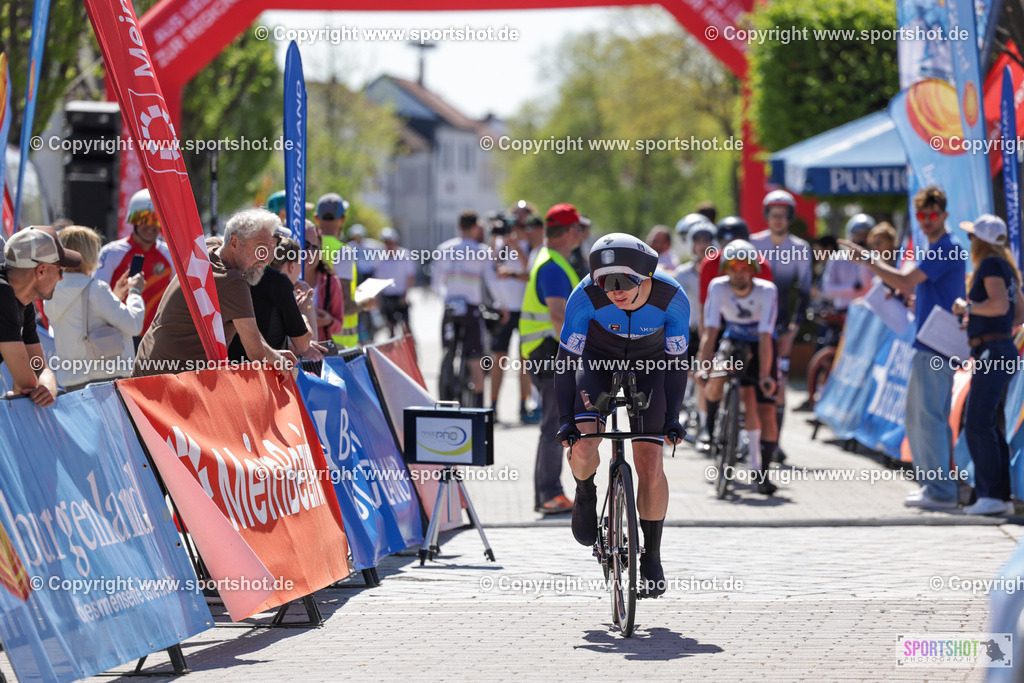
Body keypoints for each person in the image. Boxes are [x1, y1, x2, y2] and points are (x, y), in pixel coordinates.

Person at [555, 233, 689, 597]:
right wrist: (565, 418)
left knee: (650, 460)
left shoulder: (672, 298)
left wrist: (674, 415)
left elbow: (678, 365)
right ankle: (585, 492)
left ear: (646, 276)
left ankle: (653, 555)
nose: (615, 290)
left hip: (651, 366)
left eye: (625, 280)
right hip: (596, 362)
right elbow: (565, 363)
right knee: (584, 444)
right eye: (606, 281)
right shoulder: (584, 298)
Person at [840, 185, 966, 509]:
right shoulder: (938, 245)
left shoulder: (944, 246)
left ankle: (941, 491)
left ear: (944, 216)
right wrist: (910, 294)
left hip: (936, 346)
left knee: (930, 419)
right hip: (928, 342)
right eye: (922, 215)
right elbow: (913, 286)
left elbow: (904, 280)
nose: (926, 221)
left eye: (932, 215)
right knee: (917, 418)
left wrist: (867, 259)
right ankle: (934, 487)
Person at [132, 209, 297, 378]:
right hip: (167, 381)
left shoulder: (210, 246)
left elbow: (251, 332)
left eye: (271, 249)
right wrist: (277, 360)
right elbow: (256, 352)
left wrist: (273, 354)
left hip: (148, 367)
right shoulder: (233, 282)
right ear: (234, 243)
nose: (267, 259)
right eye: (260, 249)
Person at [951, 215, 1024, 515]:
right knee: (990, 424)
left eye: (971, 238)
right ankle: (999, 497)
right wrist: (979, 320)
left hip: (993, 351)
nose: (969, 243)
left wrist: (968, 308)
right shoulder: (1006, 267)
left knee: (979, 424)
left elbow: (1002, 306)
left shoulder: (992, 265)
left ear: (980, 241)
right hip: (1001, 348)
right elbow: (1016, 314)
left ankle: (992, 496)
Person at [697, 240, 780, 495]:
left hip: (760, 343)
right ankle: (709, 428)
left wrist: (765, 374)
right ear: (726, 269)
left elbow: (766, 336)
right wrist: (703, 366)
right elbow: (711, 331)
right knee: (717, 376)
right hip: (733, 340)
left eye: (746, 267)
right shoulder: (718, 287)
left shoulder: (767, 290)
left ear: (754, 269)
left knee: (761, 407)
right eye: (734, 267)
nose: (740, 272)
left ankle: (761, 470)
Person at [519, 203, 584, 514]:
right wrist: (580, 350)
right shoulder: (553, 266)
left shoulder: (550, 260)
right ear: (570, 231)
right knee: (553, 423)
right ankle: (549, 493)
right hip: (550, 351)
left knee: (554, 421)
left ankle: (549, 492)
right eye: (579, 229)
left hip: (544, 350)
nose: (581, 234)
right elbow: (558, 316)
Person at [749, 190, 811, 463]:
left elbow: (805, 292)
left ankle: (774, 442)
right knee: (748, 381)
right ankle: (748, 435)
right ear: (766, 216)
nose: (777, 220)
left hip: (781, 325)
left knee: (779, 383)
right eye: (773, 215)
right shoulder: (753, 244)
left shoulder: (800, 248)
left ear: (789, 218)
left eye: (782, 216)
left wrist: (793, 330)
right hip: (751, 322)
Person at [44, 226, 146, 391]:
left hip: (72, 383)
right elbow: (134, 325)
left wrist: (116, 295)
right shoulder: (96, 289)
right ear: (89, 254)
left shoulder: (51, 290)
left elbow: (83, 315)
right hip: (107, 381)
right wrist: (135, 291)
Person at [431, 210, 508, 408]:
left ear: (459, 226)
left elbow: (436, 283)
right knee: (476, 358)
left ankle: (446, 384)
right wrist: (501, 306)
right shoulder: (482, 250)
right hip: (471, 310)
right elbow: (492, 283)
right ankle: (479, 405)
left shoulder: (443, 248)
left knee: (448, 350)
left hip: (450, 308)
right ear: (475, 227)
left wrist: (445, 299)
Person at [0, 226, 79, 406]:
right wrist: (39, 388)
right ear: (41, 270)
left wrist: (48, 386)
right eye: (61, 269)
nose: (61, 278)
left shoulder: (23, 301)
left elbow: (39, 367)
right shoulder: (3, 293)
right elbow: (26, 385)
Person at [94, 189, 175, 338]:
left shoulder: (170, 255)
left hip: (157, 339)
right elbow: (97, 295)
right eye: (144, 219)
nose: (151, 226)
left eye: (156, 219)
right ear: (133, 220)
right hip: (119, 337)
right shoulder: (111, 252)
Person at [227, 231, 316, 363]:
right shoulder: (279, 282)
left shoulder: (235, 273)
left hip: (230, 371)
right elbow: (303, 344)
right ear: (292, 266)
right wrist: (304, 314)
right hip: (265, 375)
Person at [489, 212, 536, 424]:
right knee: (499, 358)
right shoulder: (499, 244)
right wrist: (497, 239)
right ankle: (493, 406)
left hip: (524, 308)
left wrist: (515, 245)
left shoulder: (529, 244)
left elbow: (531, 271)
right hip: (505, 308)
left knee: (523, 361)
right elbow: (491, 268)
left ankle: (522, 405)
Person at [315, 193, 359, 348]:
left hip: (316, 337)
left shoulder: (307, 245)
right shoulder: (343, 251)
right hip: (340, 342)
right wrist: (366, 303)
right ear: (343, 219)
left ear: (316, 218)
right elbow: (346, 306)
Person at [821, 214, 874, 312]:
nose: (861, 239)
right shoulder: (837, 258)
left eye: (865, 235)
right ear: (851, 235)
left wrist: (862, 259)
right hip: (843, 311)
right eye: (858, 235)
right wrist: (853, 287)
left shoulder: (875, 258)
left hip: (867, 312)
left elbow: (869, 286)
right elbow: (827, 290)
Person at [305, 221, 346, 344]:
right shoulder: (283, 281)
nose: (311, 253)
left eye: (316, 247)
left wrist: (329, 321)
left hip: (320, 353)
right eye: (306, 245)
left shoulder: (330, 282)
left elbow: (339, 325)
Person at [375, 227, 418, 339]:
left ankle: (412, 350)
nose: (388, 245)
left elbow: (410, 276)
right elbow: (377, 278)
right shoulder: (380, 257)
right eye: (386, 242)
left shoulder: (405, 255)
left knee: (406, 326)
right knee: (390, 327)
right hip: (387, 296)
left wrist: (406, 294)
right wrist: (377, 298)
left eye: (390, 242)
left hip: (401, 295)